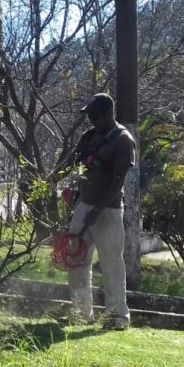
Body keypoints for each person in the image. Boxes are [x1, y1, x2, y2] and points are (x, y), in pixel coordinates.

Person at [65, 93, 135, 330]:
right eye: (90, 116)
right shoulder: (89, 136)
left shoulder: (123, 140)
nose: (92, 120)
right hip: (83, 205)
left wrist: (98, 209)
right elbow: (71, 162)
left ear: (108, 113)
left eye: (95, 116)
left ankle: (117, 317)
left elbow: (117, 181)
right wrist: (51, 180)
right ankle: (80, 313)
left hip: (108, 210)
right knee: (76, 259)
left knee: (111, 264)